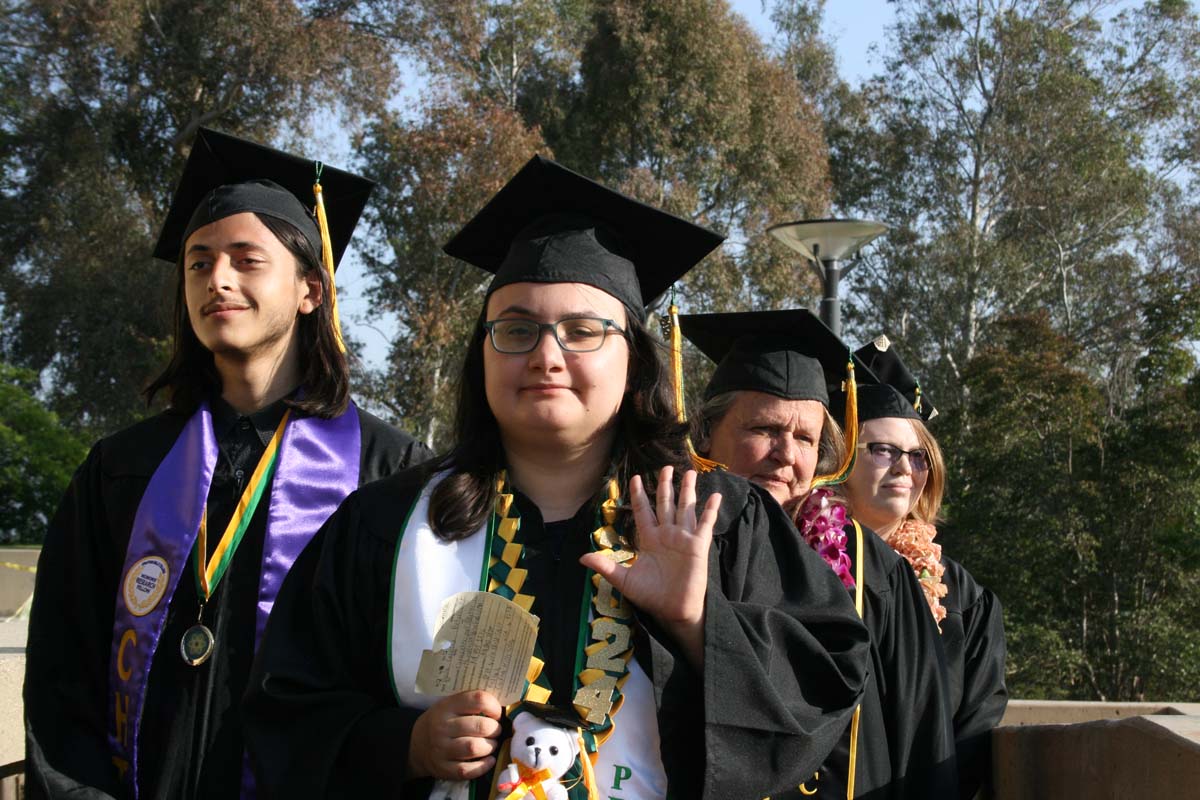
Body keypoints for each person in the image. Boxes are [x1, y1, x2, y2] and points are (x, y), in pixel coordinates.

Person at [242, 155, 872, 800]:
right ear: (481, 353)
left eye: (583, 331)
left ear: (634, 358)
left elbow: (826, 684)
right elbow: (286, 708)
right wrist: (404, 745)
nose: (547, 356)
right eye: (516, 330)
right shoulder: (389, 521)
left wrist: (698, 621)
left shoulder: (715, 515)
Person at [23, 128, 432, 800]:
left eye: (247, 260)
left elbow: (404, 689)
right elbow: (62, 678)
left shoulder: (391, 470)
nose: (217, 279)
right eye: (198, 262)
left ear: (310, 290)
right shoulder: (123, 469)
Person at [680, 308, 959, 799]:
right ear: (705, 435)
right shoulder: (663, 539)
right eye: (763, 429)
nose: (786, 454)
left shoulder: (877, 572)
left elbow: (922, 741)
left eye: (806, 437)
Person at [839, 336, 1007, 799]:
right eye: (882, 450)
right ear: (839, 456)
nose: (904, 470)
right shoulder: (796, 558)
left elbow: (974, 728)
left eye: (918, 457)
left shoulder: (961, 596)